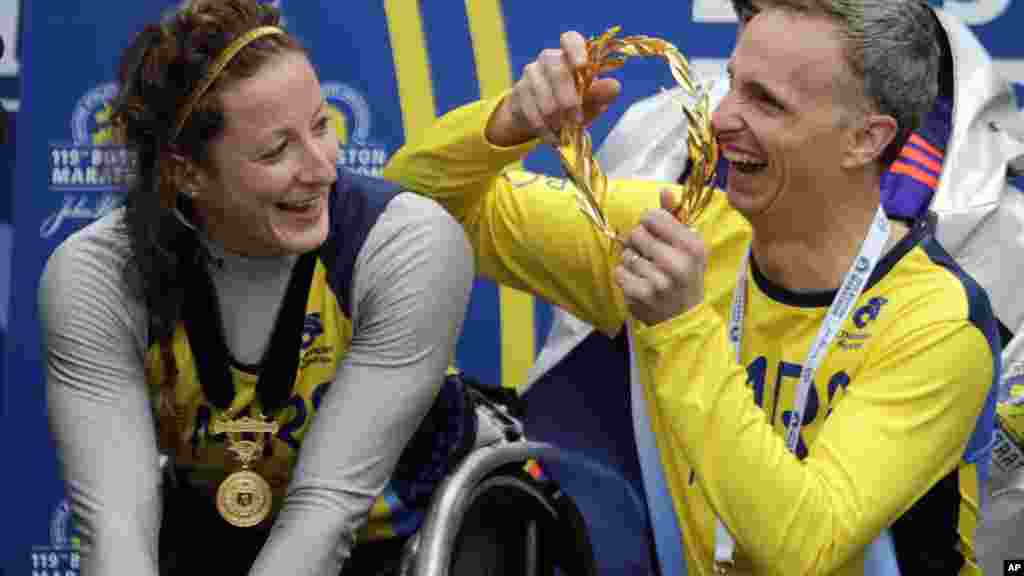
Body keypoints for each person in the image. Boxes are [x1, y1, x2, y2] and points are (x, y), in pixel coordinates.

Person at [384, 0, 1001, 573]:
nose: (719, 118)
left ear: (865, 139)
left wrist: (678, 325)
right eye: (732, 83)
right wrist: (507, 122)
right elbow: (411, 212)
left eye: (767, 102)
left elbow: (804, 544)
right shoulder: (677, 227)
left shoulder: (936, 322)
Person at [38, 1, 481, 574]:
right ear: (186, 173)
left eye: (322, 125)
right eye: (277, 150)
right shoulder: (95, 277)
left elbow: (326, 511)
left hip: (414, 530)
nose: (321, 167)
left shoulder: (406, 244)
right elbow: (115, 531)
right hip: (222, 530)